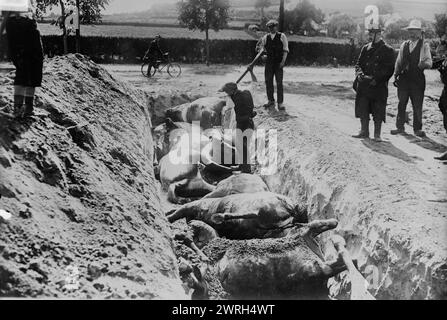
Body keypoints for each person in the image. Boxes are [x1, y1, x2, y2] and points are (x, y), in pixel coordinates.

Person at [352, 25, 395, 142]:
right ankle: (364, 131)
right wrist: (359, 74)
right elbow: (358, 64)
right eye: (370, 33)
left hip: (378, 85)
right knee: (363, 108)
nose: (370, 36)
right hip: (364, 84)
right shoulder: (365, 48)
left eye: (373, 33)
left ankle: (377, 134)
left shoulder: (388, 50)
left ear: (380, 34)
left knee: (378, 110)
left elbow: (389, 69)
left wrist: (376, 79)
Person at [391, 19, 433, 137]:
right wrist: (396, 75)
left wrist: (423, 64)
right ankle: (400, 127)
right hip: (404, 79)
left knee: (417, 105)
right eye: (410, 31)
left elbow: (430, 62)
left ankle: (417, 129)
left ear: (420, 32)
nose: (412, 33)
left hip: (417, 80)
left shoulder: (424, 45)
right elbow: (398, 62)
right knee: (401, 103)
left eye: (415, 31)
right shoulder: (404, 45)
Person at [1, 8, 43, 118]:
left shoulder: (12, 21)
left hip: (24, 47)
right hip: (28, 44)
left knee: (24, 73)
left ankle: (20, 107)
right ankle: (25, 108)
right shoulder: (22, 21)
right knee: (30, 73)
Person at [219, 82, 255, 173]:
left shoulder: (236, 98)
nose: (226, 94)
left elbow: (230, 106)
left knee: (242, 147)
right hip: (249, 122)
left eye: (227, 92)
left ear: (231, 92)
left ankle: (246, 169)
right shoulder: (246, 92)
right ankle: (241, 165)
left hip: (243, 124)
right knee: (241, 146)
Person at [258, 20, 289, 111]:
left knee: (279, 83)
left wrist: (283, 61)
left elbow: (285, 50)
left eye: (274, 26)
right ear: (268, 28)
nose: (272, 28)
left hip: (278, 63)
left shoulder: (282, 36)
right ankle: (270, 100)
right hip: (269, 63)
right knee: (268, 82)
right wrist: (263, 55)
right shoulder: (265, 37)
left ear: (276, 27)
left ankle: (280, 103)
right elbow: (261, 48)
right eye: (270, 27)